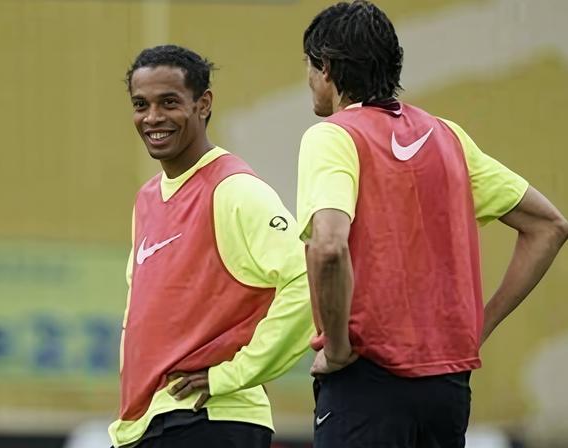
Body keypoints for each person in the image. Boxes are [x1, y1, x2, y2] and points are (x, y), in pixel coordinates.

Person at [297, 2, 568, 447]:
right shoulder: (448, 136)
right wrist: (480, 327)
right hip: (447, 387)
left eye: (309, 67)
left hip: (368, 380)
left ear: (325, 67)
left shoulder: (332, 136)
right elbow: (548, 226)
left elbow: (328, 246)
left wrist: (338, 346)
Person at [109, 45, 316, 448]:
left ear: (203, 104)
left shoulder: (235, 188)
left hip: (211, 418)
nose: (152, 118)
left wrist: (235, 374)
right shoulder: (147, 197)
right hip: (149, 423)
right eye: (140, 104)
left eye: (169, 103)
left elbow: (307, 279)